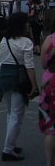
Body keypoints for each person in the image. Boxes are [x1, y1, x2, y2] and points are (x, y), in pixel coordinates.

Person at [0, 11, 39, 161]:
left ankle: (11, 144)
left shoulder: (3, 41)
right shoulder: (26, 43)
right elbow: (29, 66)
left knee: (10, 113)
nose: (28, 24)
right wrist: (34, 85)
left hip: (4, 78)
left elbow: (2, 61)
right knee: (17, 115)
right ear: (21, 25)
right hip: (18, 79)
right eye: (26, 22)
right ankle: (8, 149)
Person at [39, 18, 55, 166]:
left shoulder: (49, 40)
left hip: (50, 82)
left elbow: (43, 64)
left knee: (51, 129)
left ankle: (49, 163)